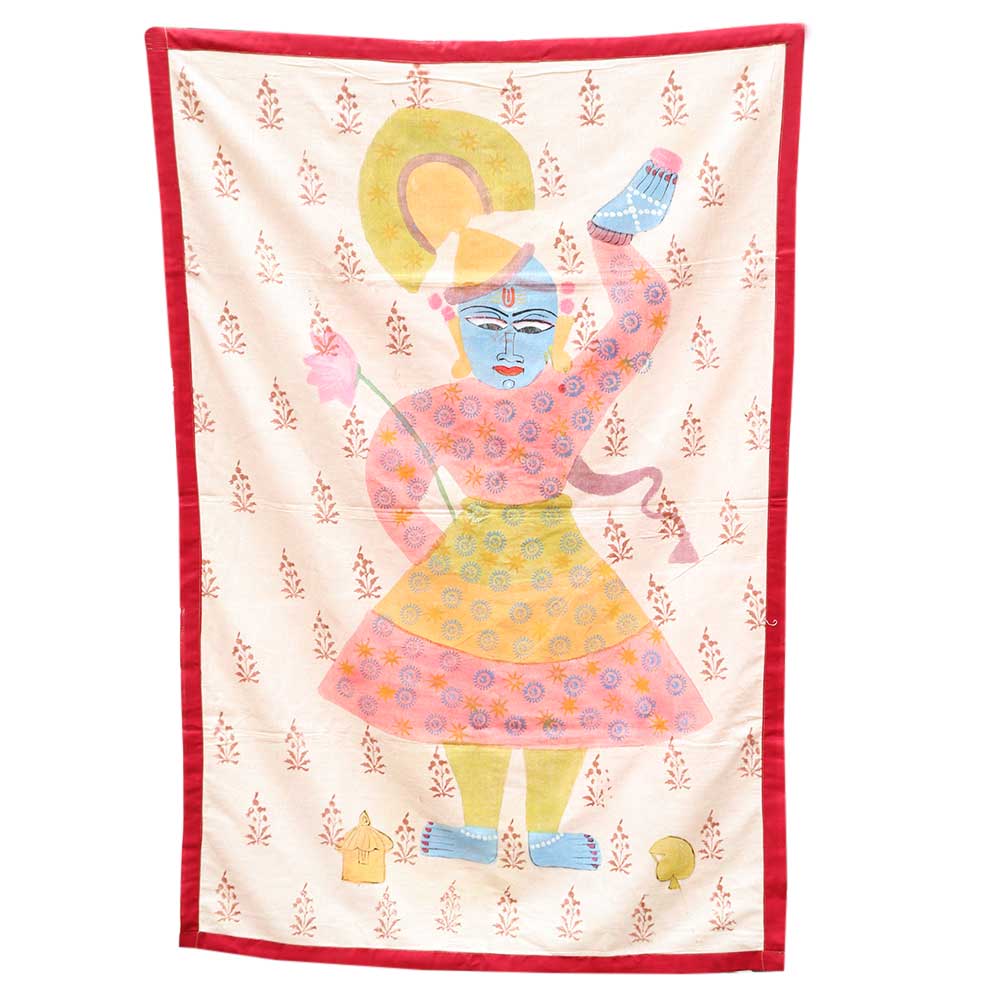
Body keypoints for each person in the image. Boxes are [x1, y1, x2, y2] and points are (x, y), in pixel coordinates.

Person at [319, 111, 710, 871]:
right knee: (468, 699)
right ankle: (472, 829)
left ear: (558, 328)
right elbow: (392, 481)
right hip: (467, 567)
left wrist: (611, 243)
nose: (507, 342)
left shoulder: (570, 394)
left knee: (571, 699)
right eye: (486, 321)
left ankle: (546, 833)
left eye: (529, 323)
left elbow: (643, 319)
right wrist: (436, 557)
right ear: (455, 326)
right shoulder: (439, 406)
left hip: (558, 569)